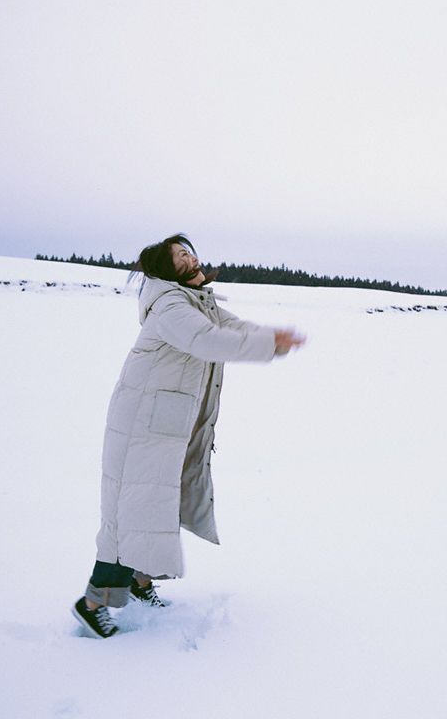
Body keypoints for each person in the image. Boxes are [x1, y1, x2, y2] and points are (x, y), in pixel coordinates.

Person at [72, 233, 304, 638]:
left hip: (167, 422)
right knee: (129, 514)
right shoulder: (170, 306)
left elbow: (233, 326)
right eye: (179, 256)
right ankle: (92, 603)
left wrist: (272, 337)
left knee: (160, 501)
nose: (190, 258)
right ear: (166, 269)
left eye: (189, 251)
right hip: (142, 425)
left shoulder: (197, 299)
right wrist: (269, 345)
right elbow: (209, 341)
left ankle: (141, 581)